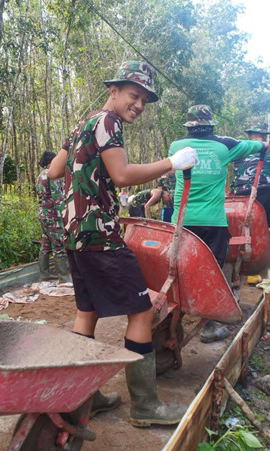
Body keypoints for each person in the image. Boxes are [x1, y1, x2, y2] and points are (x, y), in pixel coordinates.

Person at [48, 60, 198, 427]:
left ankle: (82, 399)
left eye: (144, 100)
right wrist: (171, 163)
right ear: (113, 92)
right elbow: (122, 175)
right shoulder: (108, 122)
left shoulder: (83, 123)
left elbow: (52, 171)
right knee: (142, 310)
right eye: (134, 96)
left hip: (74, 234)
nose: (139, 105)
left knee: (88, 311)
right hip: (100, 233)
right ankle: (145, 406)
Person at [169, 105, 267, 343]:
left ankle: (176, 314)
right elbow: (260, 146)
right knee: (213, 271)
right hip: (213, 223)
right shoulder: (226, 146)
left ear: (189, 125)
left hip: (181, 222)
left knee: (179, 269)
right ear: (211, 124)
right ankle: (209, 325)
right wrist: (264, 145)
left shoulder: (176, 147)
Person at [232, 122, 270, 227]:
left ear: (250, 136)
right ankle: (269, 228)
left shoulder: (238, 148)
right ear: (264, 136)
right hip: (264, 191)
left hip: (240, 191)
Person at [36, 151, 70, 283]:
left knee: (45, 245)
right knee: (59, 245)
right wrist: (65, 217)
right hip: (53, 216)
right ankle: (64, 278)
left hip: (43, 215)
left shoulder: (41, 175)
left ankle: (44, 274)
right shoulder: (52, 174)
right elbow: (58, 198)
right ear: (52, 161)